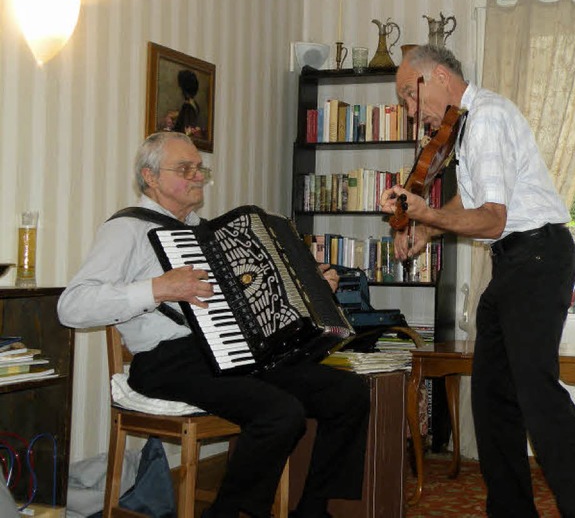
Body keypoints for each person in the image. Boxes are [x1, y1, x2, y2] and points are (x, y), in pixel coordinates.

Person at [58, 131, 370, 518]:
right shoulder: (127, 230)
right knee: (280, 412)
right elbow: (72, 306)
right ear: (149, 177)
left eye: (199, 169)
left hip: (228, 354)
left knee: (347, 392)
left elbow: (257, 302)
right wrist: (155, 288)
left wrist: (313, 288)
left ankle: (313, 510)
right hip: (164, 361)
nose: (196, 177)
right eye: (184, 169)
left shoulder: (206, 233)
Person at [381, 45, 575, 517]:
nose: (410, 111)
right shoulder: (467, 124)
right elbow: (475, 208)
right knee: (492, 401)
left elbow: (491, 220)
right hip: (517, 261)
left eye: (411, 95)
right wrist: (426, 226)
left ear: (441, 77)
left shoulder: (485, 119)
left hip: (536, 256)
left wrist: (425, 212)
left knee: (537, 396)